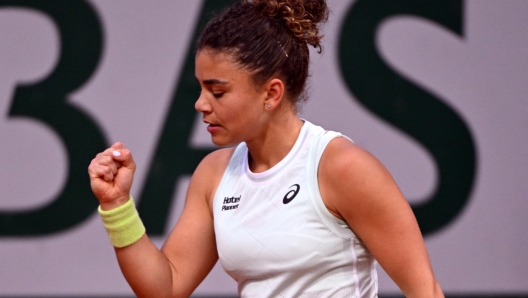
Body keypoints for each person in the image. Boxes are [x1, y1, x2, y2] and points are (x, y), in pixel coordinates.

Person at [88, 0, 444, 297]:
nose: (200, 104)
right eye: (200, 88)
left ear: (271, 93)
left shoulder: (342, 167)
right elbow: (165, 287)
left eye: (218, 91)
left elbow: (424, 290)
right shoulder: (213, 175)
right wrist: (117, 206)